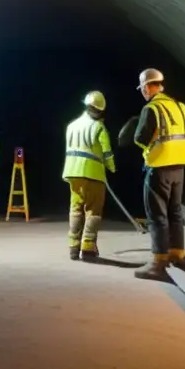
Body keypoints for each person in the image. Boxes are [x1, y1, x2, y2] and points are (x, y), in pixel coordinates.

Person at [132, 68, 185, 280]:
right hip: (180, 165)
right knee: (175, 211)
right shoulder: (180, 107)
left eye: (143, 89)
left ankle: (158, 262)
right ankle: (178, 255)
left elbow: (140, 138)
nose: (143, 93)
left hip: (159, 167)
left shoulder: (152, 109)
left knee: (157, 215)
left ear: (148, 87)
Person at [62, 90, 115, 262]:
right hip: (93, 174)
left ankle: (73, 247)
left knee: (75, 209)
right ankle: (88, 247)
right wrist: (112, 168)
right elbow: (107, 153)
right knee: (93, 211)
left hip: (73, 173)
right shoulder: (99, 127)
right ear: (100, 110)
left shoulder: (71, 126)